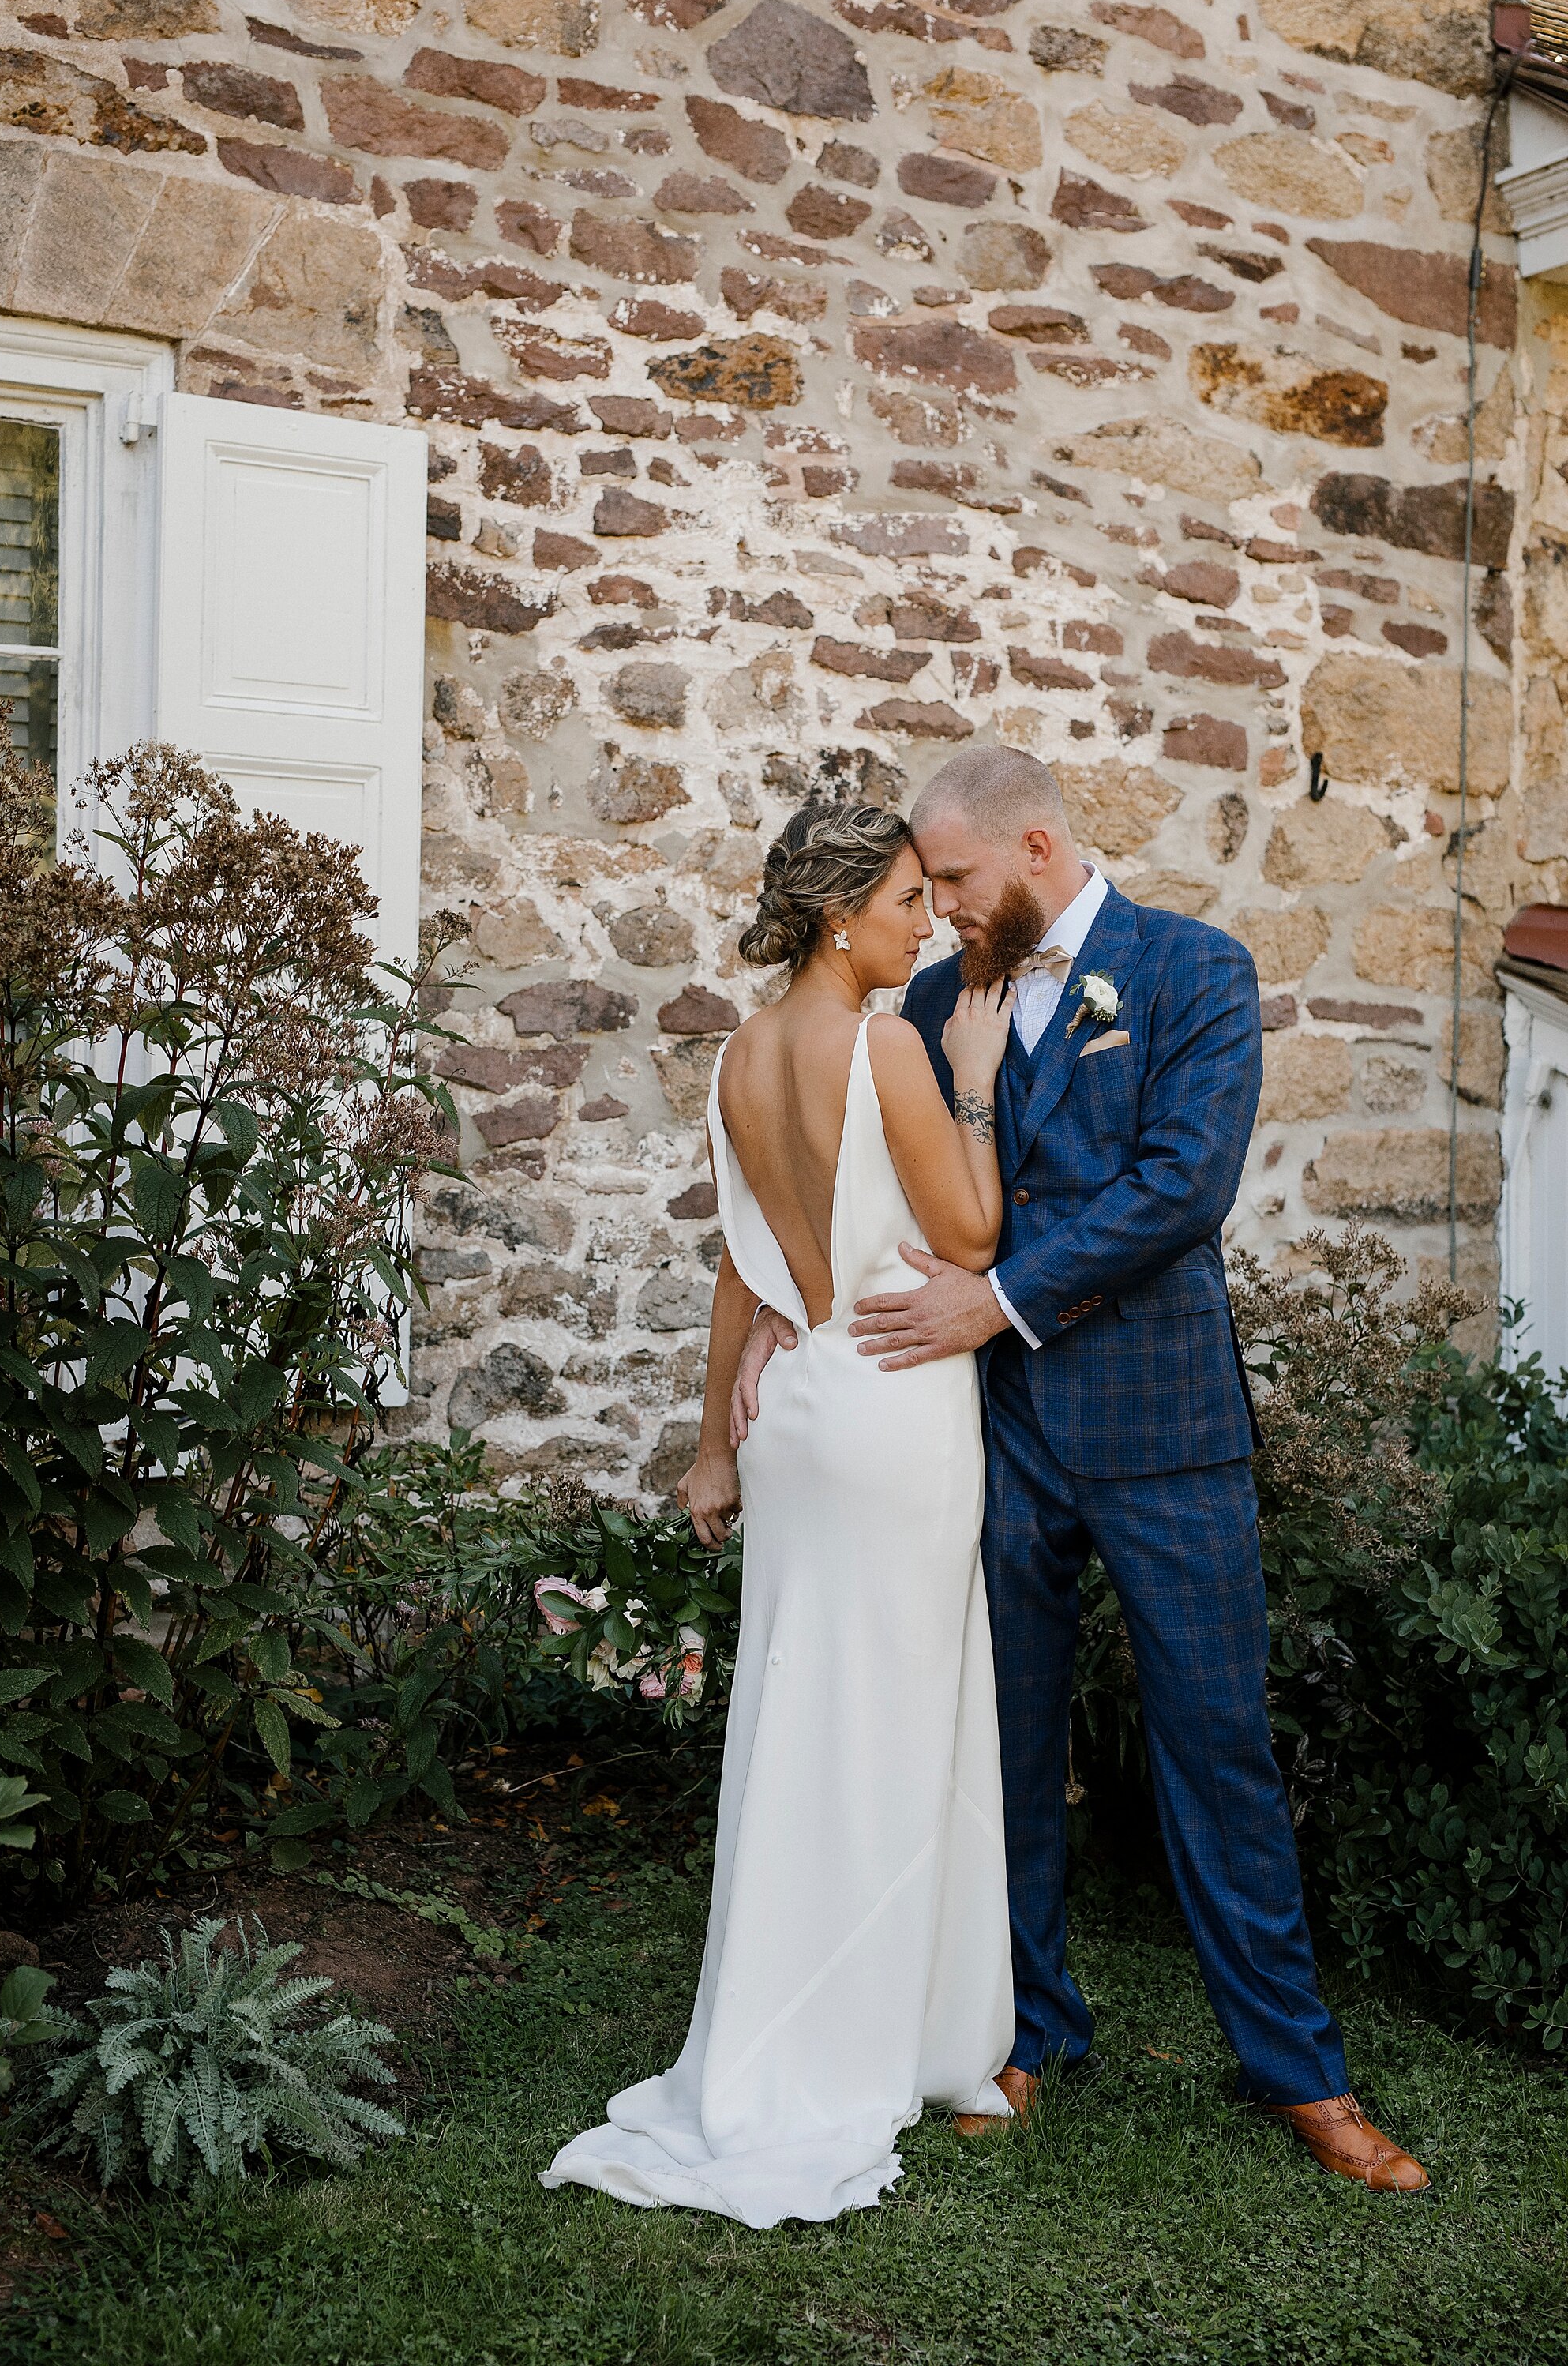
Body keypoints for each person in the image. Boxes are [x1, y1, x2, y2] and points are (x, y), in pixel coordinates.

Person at [733, 746, 1430, 2195]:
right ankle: (1023, 2030)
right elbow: (859, 1189)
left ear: (1037, 848)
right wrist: (772, 1323)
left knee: (1216, 1746)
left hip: (1166, 1440)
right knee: (1002, 1745)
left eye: (959, 882)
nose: (938, 911)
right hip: (980, 1437)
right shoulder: (922, 1003)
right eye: (920, 890)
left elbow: (1183, 1186)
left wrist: (1000, 1297)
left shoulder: (1193, 971)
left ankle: (1300, 2072)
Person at [541, 799, 1018, 2229]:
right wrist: (977, 1084)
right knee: (901, 1715)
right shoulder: (889, 1045)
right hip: (893, 1401)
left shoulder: (742, 1056)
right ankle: (882, 2040)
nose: (925, 925)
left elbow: (744, 1276)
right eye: (903, 904)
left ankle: (806, 2014)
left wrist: (712, 1453)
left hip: (799, 1410)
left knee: (804, 1713)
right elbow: (975, 1236)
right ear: (836, 919)